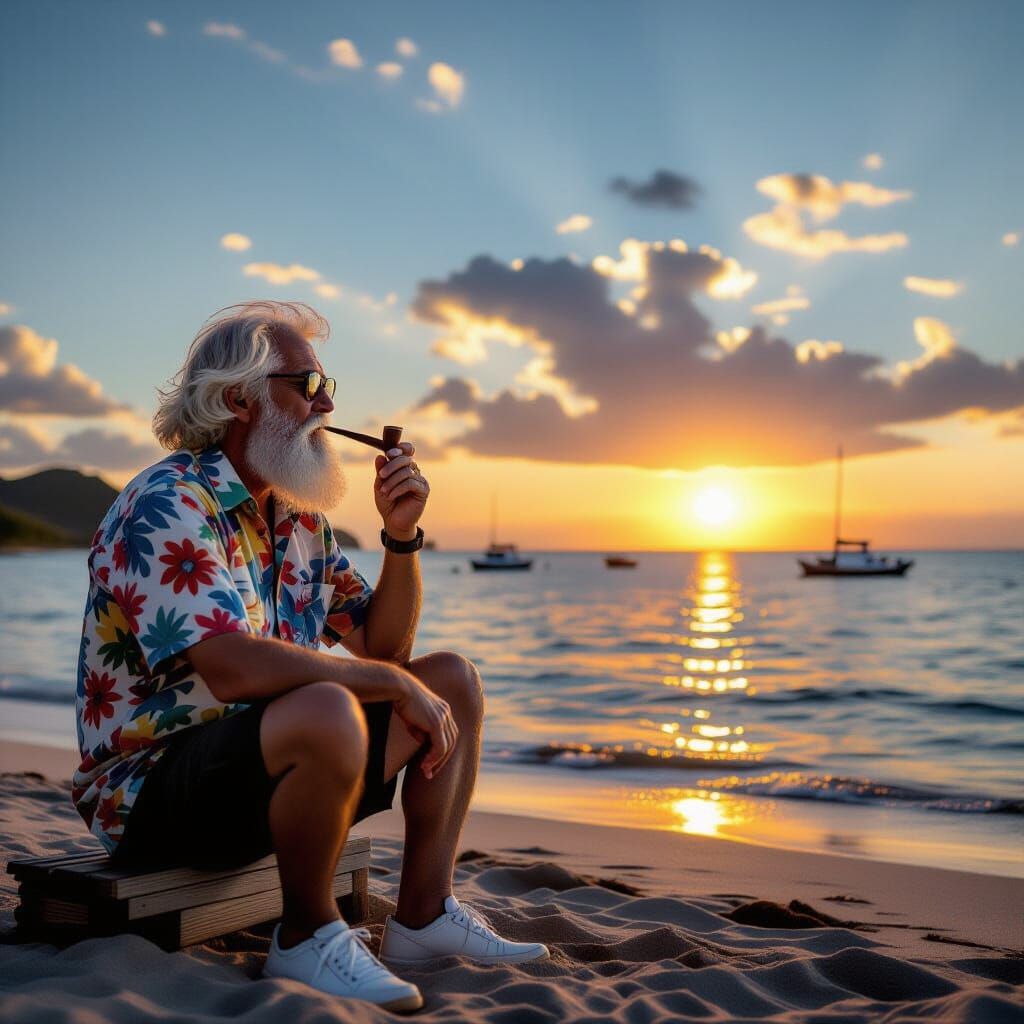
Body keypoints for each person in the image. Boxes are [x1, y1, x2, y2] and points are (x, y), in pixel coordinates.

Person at [71, 300, 548, 1013]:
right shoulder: (168, 502)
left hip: (269, 764)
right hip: (149, 794)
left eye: (329, 386)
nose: (326, 405)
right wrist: (387, 683)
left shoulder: (298, 519)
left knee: (451, 679)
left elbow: (385, 648)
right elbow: (230, 667)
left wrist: (400, 536)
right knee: (329, 705)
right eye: (308, 385)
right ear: (239, 399)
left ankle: (422, 917)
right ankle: (306, 935)